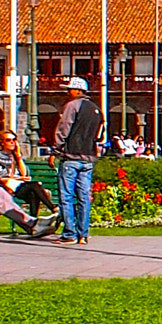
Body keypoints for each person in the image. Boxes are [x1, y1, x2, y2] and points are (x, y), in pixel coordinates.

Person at [53, 76, 103, 246]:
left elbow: (64, 128)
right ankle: (84, 233)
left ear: (77, 90)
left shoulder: (72, 106)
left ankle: (69, 233)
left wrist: (56, 148)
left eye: (69, 89)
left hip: (72, 156)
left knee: (66, 196)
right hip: (88, 158)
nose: (67, 92)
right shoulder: (96, 109)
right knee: (84, 197)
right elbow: (100, 135)